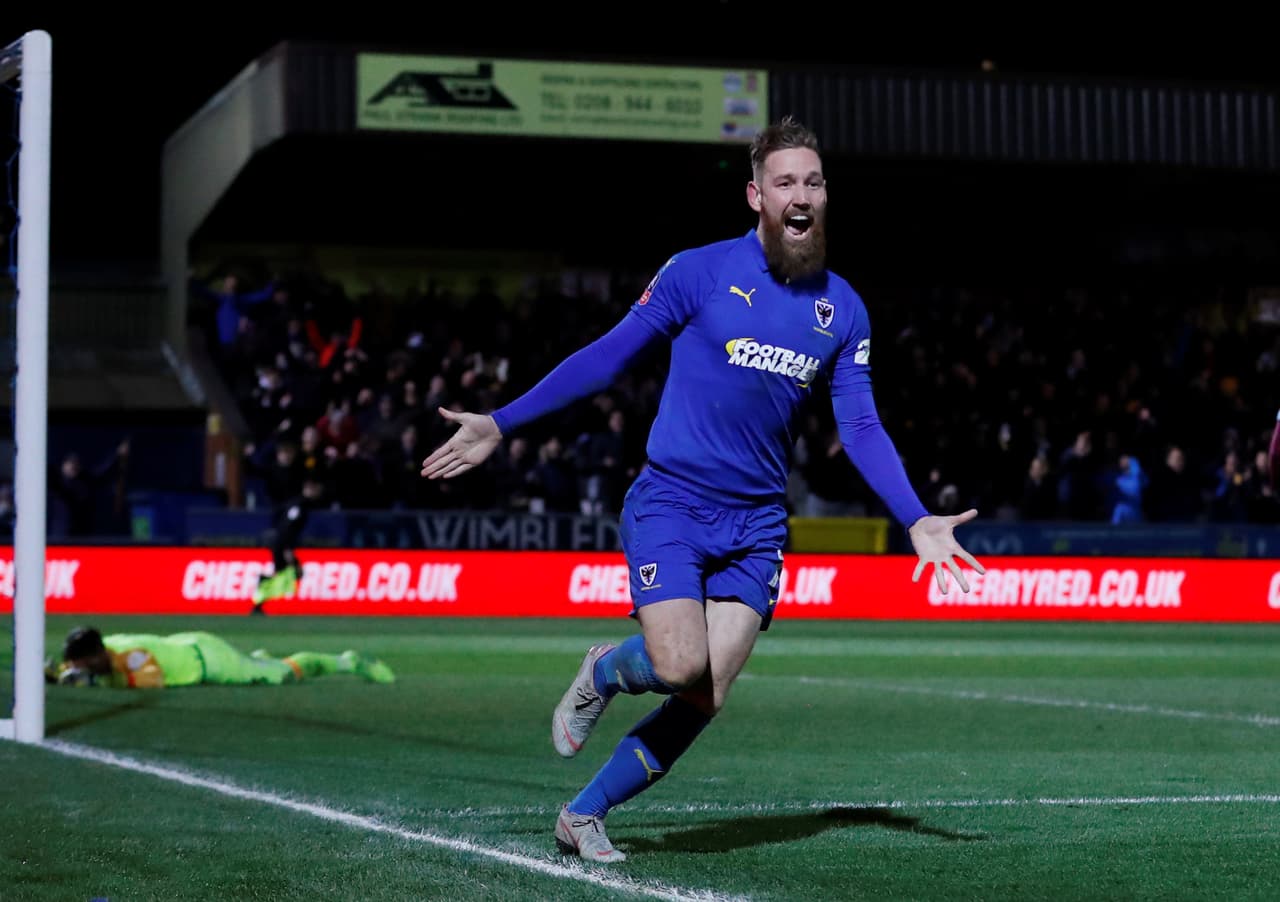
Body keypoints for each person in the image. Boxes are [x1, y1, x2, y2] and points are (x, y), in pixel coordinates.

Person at [420, 115, 984, 863]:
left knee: (705, 692)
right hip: (673, 503)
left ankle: (583, 814)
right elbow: (608, 358)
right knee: (680, 664)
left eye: (813, 180)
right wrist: (502, 421)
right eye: (785, 181)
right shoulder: (698, 270)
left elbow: (860, 424)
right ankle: (605, 667)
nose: (801, 192)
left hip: (756, 524)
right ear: (756, 195)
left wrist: (915, 518)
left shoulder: (842, 309)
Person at [46, 626, 394, 688]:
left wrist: (93, 682)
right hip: (189, 645)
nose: (76, 667)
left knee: (279, 675)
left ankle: (347, 661)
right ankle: (257, 657)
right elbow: (64, 670)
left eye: (80, 663)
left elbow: (151, 680)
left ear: (94, 656)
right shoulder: (106, 649)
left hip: (208, 661)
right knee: (261, 664)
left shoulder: (130, 657)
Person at [251, 474, 325, 613]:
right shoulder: (299, 505)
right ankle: (260, 593)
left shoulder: (299, 504)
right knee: (294, 573)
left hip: (281, 543)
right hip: (281, 544)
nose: (319, 493)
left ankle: (261, 597)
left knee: (290, 574)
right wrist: (287, 549)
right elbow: (287, 528)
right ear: (310, 488)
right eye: (317, 489)